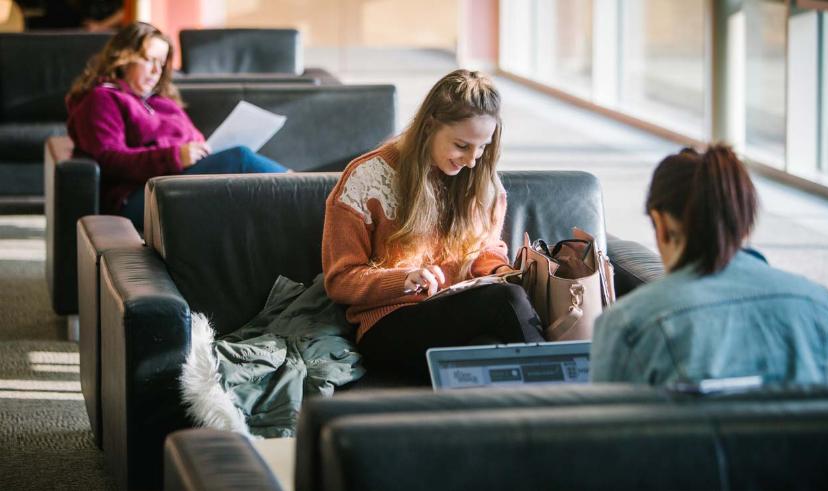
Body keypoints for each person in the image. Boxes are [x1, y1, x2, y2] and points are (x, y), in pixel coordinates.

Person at [322, 69, 544, 383]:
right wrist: (404, 279)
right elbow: (340, 280)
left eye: (482, 148)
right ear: (429, 127)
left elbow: (486, 251)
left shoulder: (481, 183)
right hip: (389, 322)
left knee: (505, 317)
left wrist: (500, 272)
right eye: (462, 145)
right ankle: (559, 394)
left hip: (457, 310)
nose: (472, 160)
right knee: (508, 304)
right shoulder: (365, 180)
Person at [591, 145, 828, 386]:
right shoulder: (821, 305)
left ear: (662, 225)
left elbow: (608, 428)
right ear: (745, 221)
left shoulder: (628, 324)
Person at [66, 22, 286, 230]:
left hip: (176, 186)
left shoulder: (160, 101)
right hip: (137, 197)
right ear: (123, 59)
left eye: (161, 64)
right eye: (149, 60)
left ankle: (300, 197)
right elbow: (109, 159)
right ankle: (303, 190)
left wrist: (197, 150)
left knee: (248, 190)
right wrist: (175, 156)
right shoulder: (102, 99)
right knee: (239, 158)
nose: (156, 71)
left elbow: (193, 139)